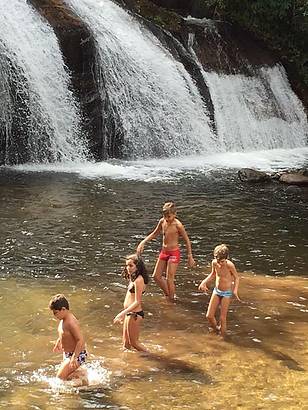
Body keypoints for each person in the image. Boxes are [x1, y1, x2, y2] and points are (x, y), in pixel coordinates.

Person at [136, 201, 195, 302]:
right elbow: (155, 233)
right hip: (164, 252)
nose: (167, 219)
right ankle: (169, 294)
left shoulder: (178, 225)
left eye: (169, 216)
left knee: (169, 278)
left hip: (174, 253)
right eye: (165, 216)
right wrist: (143, 242)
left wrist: (190, 256)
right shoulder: (162, 222)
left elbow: (187, 240)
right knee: (156, 276)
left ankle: (171, 300)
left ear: (175, 214)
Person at [198, 244, 240, 337]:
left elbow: (237, 278)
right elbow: (213, 274)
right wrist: (204, 282)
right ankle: (216, 329)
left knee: (222, 318)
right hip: (217, 291)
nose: (220, 264)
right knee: (209, 316)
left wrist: (235, 290)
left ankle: (223, 338)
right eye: (218, 261)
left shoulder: (230, 265)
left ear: (227, 258)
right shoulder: (214, 263)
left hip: (226, 293)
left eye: (222, 261)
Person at [114, 254, 149, 352]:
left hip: (134, 314)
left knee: (134, 343)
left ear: (137, 266)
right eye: (126, 265)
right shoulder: (133, 278)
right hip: (129, 314)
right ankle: (128, 364)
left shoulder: (139, 280)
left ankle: (152, 357)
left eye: (130, 265)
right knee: (125, 344)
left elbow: (137, 302)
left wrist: (122, 314)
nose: (128, 268)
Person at [49, 294, 88, 383]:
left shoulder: (71, 322)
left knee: (59, 378)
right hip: (68, 354)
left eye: (55, 313)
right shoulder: (63, 319)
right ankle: (82, 375)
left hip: (77, 354)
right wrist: (58, 342)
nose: (54, 315)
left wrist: (74, 357)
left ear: (63, 309)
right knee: (68, 376)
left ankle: (84, 383)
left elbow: (80, 340)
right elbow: (64, 333)